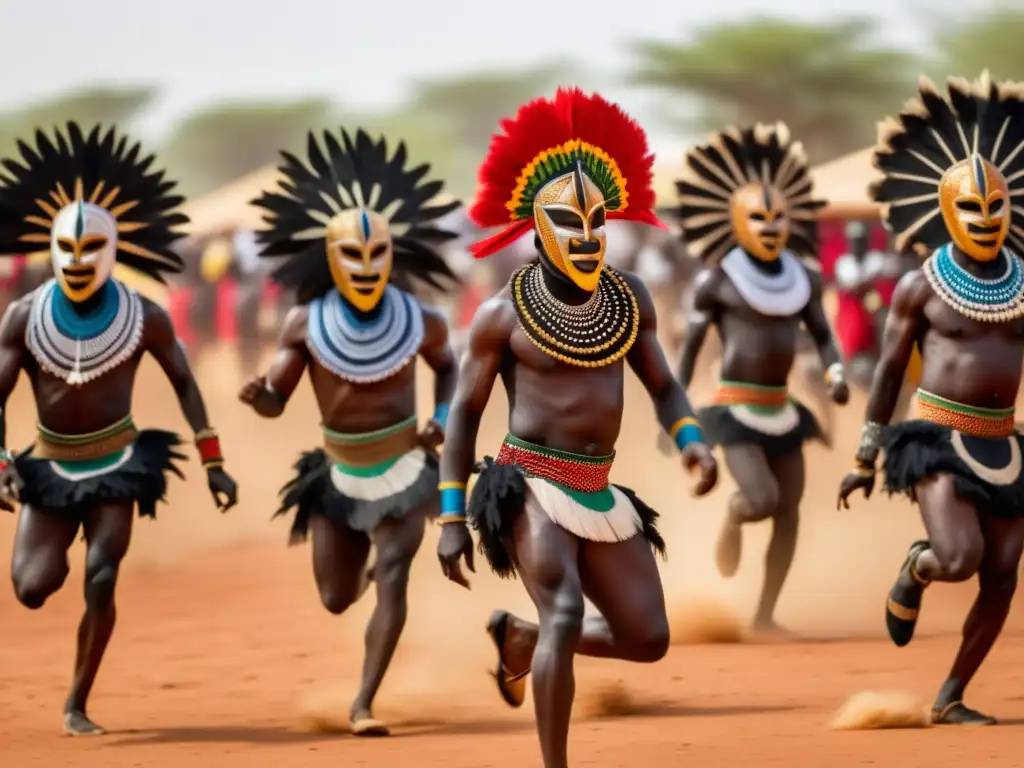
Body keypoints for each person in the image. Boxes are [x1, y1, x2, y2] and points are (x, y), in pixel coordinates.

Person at [435, 87, 718, 768]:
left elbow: (663, 383)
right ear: (538, 231)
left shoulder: (631, 299)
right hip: (526, 482)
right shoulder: (502, 315)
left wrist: (691, 439)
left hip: (598, 489)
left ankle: (523, 640)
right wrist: (449, 518)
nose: (587, 238)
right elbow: (465, 413)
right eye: (569, 224)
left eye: (597, 224)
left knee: (647, 638)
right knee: (566, 610)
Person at [0, 123, 238, 735]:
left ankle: (77, 701)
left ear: (111, 248)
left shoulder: (146, 316)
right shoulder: (24, 317)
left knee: (102, 577)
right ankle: (51, 588)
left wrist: (212, 460)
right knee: (31, 586)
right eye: (68, 248)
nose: (79, 260)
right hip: (49, 467)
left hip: (118, 465)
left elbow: (187, 383)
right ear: (51, 248)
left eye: (91, 248)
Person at [239, 128, 460, 736]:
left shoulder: (425, 321)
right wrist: (260, 397)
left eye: (376, 254)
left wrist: (440, 420)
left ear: (393, 254)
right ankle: (356, 600)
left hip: (406, 472)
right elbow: (278, 399)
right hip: (337, 476)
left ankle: (363, 702)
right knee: (337, 597)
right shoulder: (305, 324)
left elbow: (450, 372)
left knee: (394, 573)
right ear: (328, 257)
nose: (365, 266)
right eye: (351, 255)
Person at [837, 72, 1024, 725]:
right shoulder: (920, 286)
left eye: (996, 207)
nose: (985, 219)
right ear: (946, 212)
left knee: (1002, 573)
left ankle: (950, 697)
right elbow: (889, 370)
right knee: (959, 557)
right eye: (971, 209)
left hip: (1003, 440)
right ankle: (919, 567)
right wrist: (866, 452)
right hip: (935, 438)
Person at [674, 123, 850, 634]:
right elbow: (688, 351)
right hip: (734, 409)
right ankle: (733, 516)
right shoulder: (717, 280)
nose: (770, 227)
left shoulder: (806, 279)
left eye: (778, 219)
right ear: (737, 222)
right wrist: (677, 410)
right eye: (758, 219)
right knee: (760, 500)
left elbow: (823, 335)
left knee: (789, 513)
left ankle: (766, 613)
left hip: (782, 407)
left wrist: (836, 373)